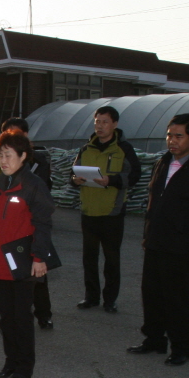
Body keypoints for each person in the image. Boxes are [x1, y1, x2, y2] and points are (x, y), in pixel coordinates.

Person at [127, 113, 189, 366]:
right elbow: (154, 202)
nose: (172, 141)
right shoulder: (163, 162)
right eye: (169, 135)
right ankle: (154, 339)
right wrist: (147, 235)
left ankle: (182, 347)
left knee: (179, 299)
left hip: (182, 246)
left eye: (179, 136)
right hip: (155, 241)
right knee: (151, 294)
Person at [0, 128, 54, 378]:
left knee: (22, 317)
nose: (3, 160)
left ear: (23, 156)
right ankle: (10, 362)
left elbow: (43, 224)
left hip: (23, 261)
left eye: (9, 155)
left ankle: (24, 367)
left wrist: (39, 258)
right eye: (0, 155)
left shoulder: (33, 186)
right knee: (6, 317)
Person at [71, 106, 142, 313]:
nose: (99, 126)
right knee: (89, 258)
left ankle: (110, 299)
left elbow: (135, 175)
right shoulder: (86, 149)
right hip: (89, 211)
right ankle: (91, 297)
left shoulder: (124, 149)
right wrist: (75, 180)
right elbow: (72, 174)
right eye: (97, 122)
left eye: (104, 122)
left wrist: (111, 180)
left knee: (111, 259)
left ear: (115, 124)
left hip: (112, 212)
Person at [0, 117, 54, 330]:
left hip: (27, 235)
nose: (4, 159)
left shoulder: (36, 164)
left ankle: (43, 314)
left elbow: (42, 213)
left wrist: (40, 256)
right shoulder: (1, 165)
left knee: (36, 277)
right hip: (6, 235)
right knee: (9, 300)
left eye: (17, 134)